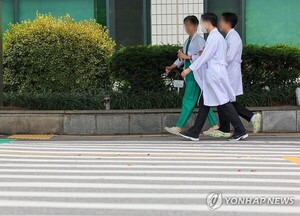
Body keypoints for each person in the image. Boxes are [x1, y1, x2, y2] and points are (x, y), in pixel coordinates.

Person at [178, 12, 248, 141]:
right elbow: (209, 54)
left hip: (215, 74)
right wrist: (204, 53)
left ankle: (240, 130)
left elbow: (205, 57)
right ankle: (195, 131)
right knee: (204, 102)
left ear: (207, 22)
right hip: (215, 73)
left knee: (224, 103)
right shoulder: (215, 36)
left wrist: (188, 69)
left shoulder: (214, 37)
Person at [210, 12, 262, 138]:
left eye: (221, 21)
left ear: (228, 23)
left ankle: (251, 117)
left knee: (226, 101)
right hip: (227, 73)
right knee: (223, 101)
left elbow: (228, 57)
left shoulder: (233, 38)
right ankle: (225, 128)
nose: (219, 23)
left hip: (230, 73)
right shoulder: (229, 37)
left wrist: (212, 58)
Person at [165, 15, 219, 136]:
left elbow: (203, 56)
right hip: (192, 75)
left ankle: (178, 127)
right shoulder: (188, 41)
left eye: (189, 25)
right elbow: (182, 58)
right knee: (204, 101)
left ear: (195, 26)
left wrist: (187, 57)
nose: (187, 27)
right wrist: (172, 66)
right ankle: (214, 124)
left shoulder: (199, 40)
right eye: (185, 25)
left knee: (188, 100)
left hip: (195, 74)